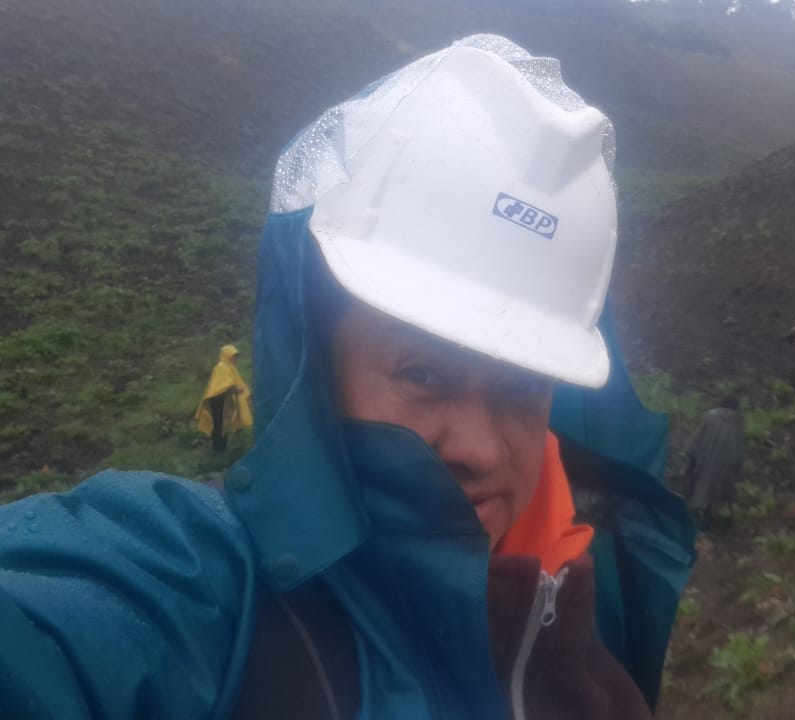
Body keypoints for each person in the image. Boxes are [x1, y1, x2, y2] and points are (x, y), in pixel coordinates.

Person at [0, 35, 695, 720]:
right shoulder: (204, 601)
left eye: (523, 388)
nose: (482, 448)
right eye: (424, 372)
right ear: (317, 362)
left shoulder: (580, 605)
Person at [682, 398, 745, 528]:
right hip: (728, 463)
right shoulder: (738, 421)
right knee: (718, 491)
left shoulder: (710, 416)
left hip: (707, 459)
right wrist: (738, 468)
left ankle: (694, 516)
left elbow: (698, 437)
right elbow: (739, 446)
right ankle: (708, 518)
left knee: (702, 487)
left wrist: (691, 453)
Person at [195, 343, 253, 452]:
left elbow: (234, 382)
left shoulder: (230, 367)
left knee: (224, 425)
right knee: (219, 425)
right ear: (227, 355)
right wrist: (236, 390)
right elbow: (224, 386)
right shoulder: (222, 367)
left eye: (236, 356)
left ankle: (221, 448)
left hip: (225, 400)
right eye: (233, 356)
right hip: (217, 400)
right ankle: (218, 450)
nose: (235, 358)